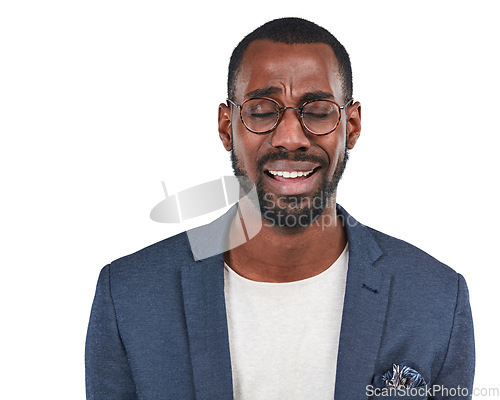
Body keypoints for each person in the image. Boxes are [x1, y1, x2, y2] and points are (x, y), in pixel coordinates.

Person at [85, 17, 475, 400]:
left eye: (318, 110)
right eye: (261, 110)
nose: (290, 138)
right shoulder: (129, 296)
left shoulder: (437, 299)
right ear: (227, 127)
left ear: (351, 126)